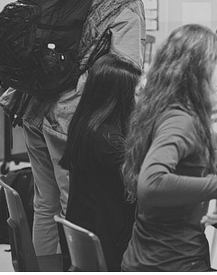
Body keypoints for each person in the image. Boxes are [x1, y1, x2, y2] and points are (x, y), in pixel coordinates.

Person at [0, 0, 149, 269]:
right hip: (72, 116)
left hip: (32, 106)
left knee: (44, 202)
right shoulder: (127, 0)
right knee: (74, 205)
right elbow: (126, 70)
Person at [121, 24, 217, 271]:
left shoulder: (165, 109)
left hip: (150, 257)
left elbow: (183, 166)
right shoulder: (182, 120)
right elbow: (152, 183)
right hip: (173, 263)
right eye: (216, 69)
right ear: (197, 73)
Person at [59, 54, 142, 271]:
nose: (140, 99)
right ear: (120, 97)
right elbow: (153, 177)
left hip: (90, 235)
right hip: (111, 245)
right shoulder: (107, 141)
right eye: (137, 93)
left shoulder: (86, 124)